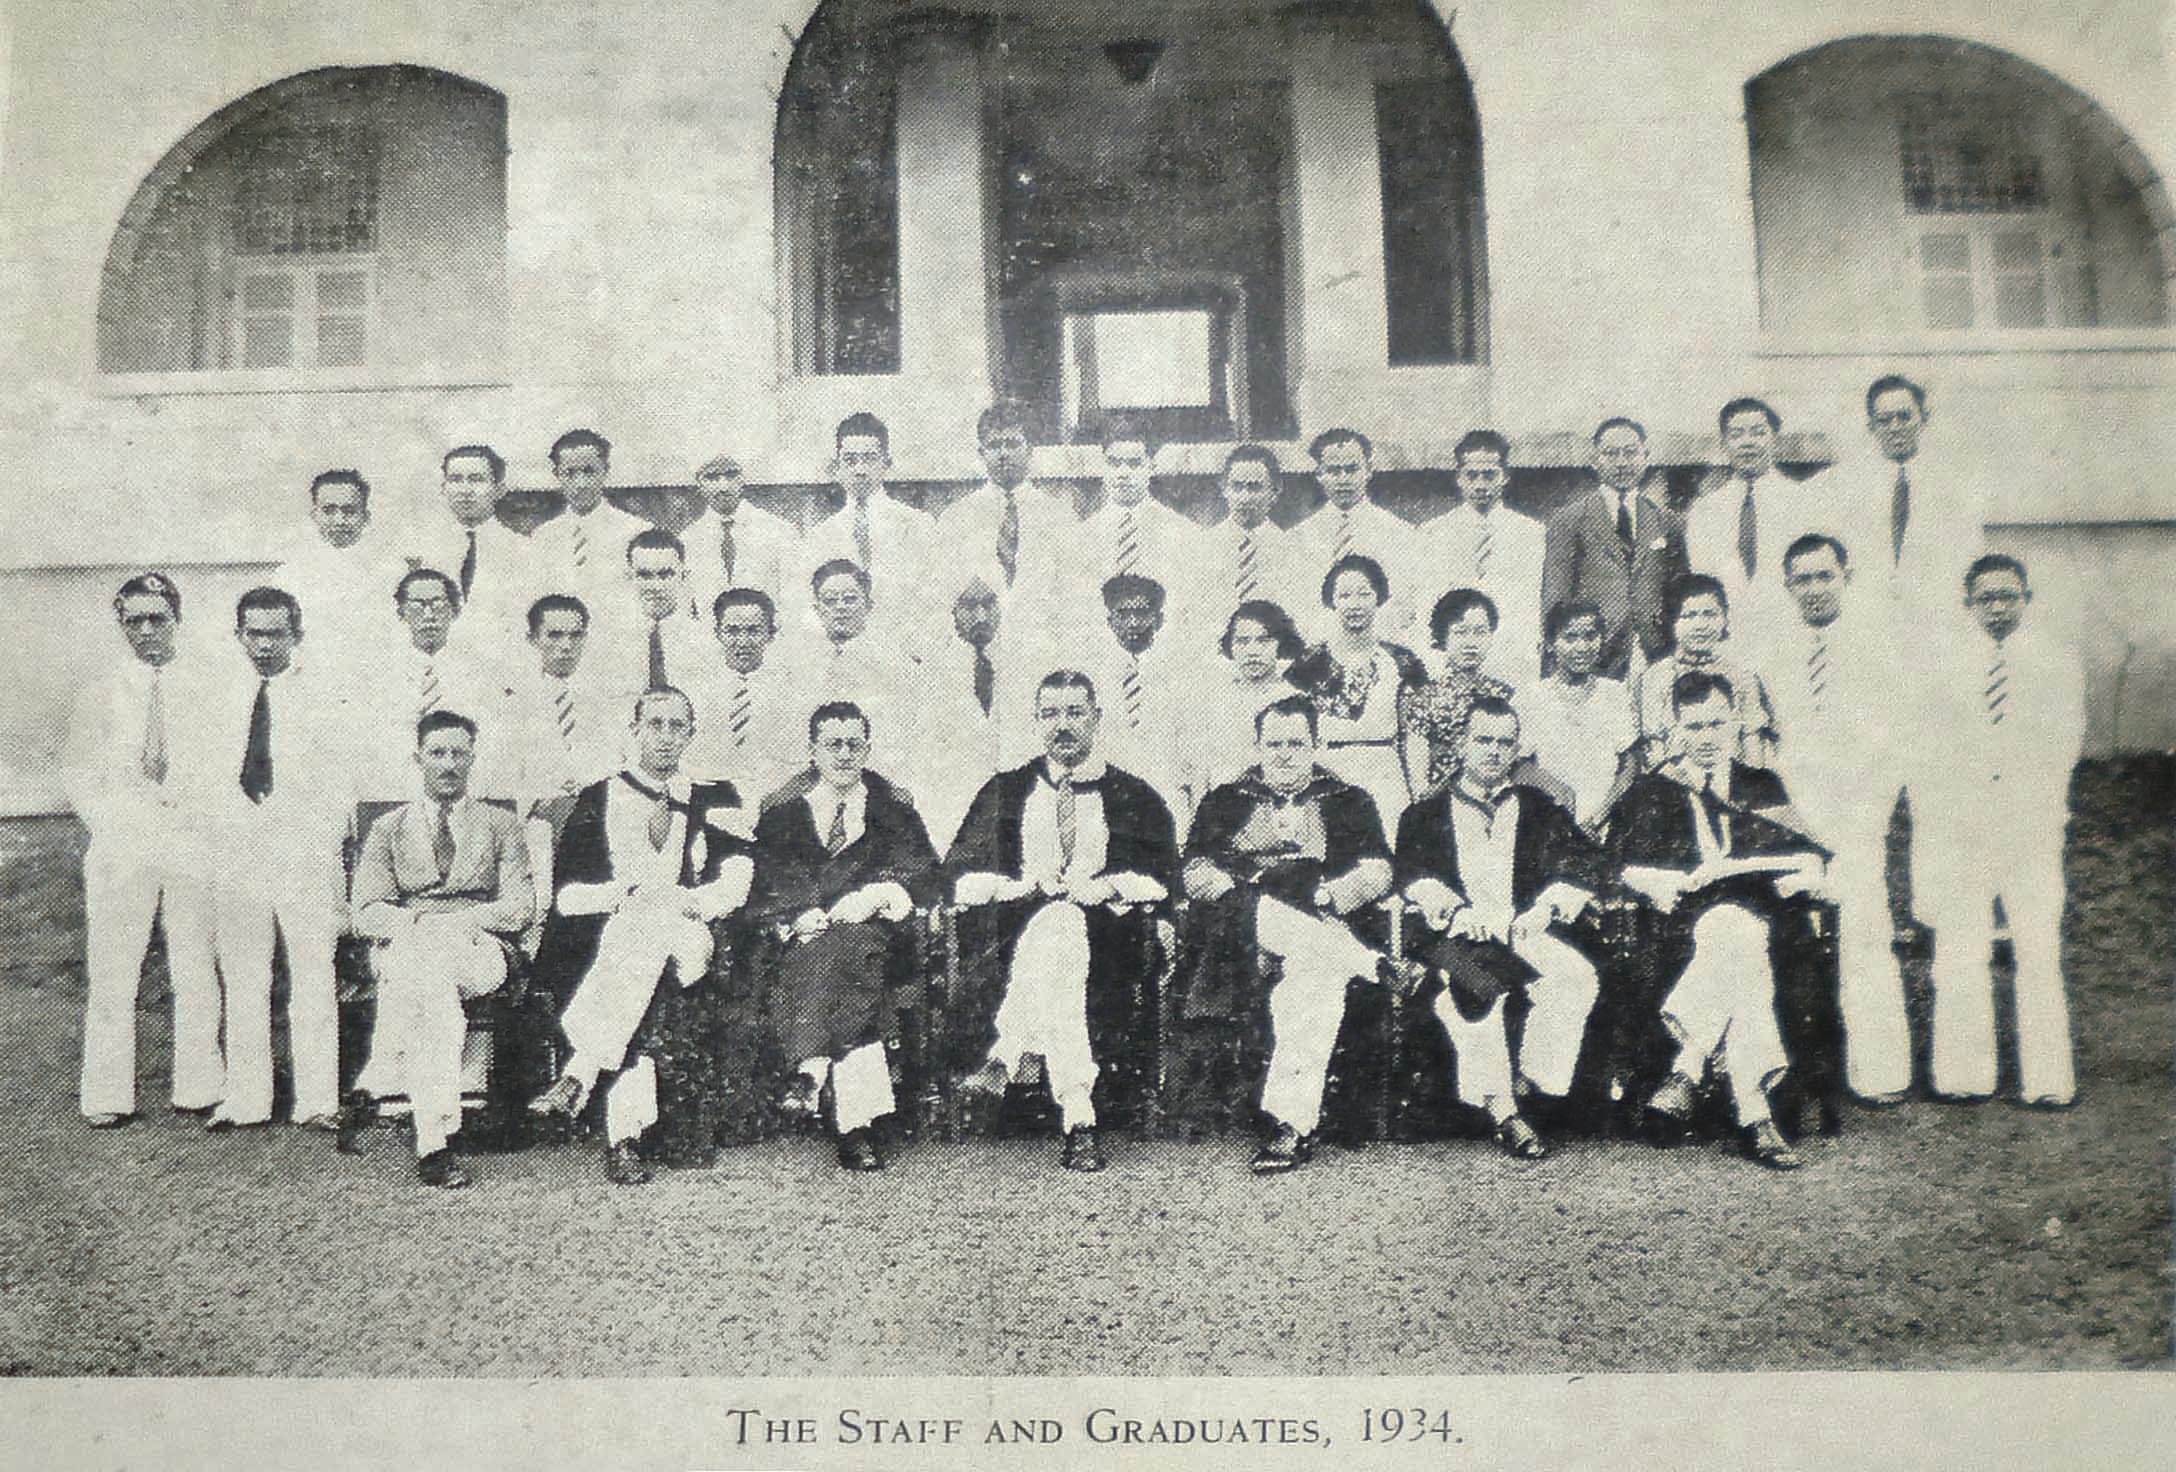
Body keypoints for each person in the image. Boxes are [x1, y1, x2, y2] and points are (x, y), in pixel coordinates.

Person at [946, 671, 1179, 1172]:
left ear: (1096, 718)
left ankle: (1010, 1056)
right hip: (1015, 936)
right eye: (1050, 714)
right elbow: (959, 878)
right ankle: (1079, 1114)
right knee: (1056, 927)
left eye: (1075, 712)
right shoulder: (1007, 791)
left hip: (1109, 939)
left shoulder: (1133, 795)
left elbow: (1164, 880)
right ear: (1036, 721)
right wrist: (1021, 885)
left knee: (1063, 926)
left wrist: (1108, 885)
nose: (1063, 725)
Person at [528, 688, 756, 1184]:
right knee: (638, 945)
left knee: (641, 936)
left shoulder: (715, 796)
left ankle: (580, 1072)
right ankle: (624, 1139)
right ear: (634, 731)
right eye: (656, 724)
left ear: (691, 735)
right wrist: (627, 894)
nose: (666, 736)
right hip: (618, 937)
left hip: (691, 936)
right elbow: (568, 897)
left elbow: (737, 884)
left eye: (678, 726)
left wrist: (685, 900)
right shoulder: (600, 798)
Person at [1605, 670, 1826, 1171]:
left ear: (1734, 723)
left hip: (1761, 913)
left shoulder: (1760, 783)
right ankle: (1755, 1111)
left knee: (1737, 933)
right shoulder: (1652, 789)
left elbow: (1807, 853)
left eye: (1716, 724)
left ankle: (1687, 1069)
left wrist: (1755, 869)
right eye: (1694, 726)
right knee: (1735, 938)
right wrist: (1661, 883)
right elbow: (1625, 865)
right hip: (1683, 925)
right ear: (1675, 729)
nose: (1706, 738)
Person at [1181, 695, 1395, 1172]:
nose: (1283, 754)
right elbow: (1193, 870)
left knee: (1313, 979)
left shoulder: (1349, 800)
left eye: (1295, 744)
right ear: (1257, 746)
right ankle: (1366, 962)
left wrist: (1332, 894)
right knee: (1277, 916)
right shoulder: (1225, 800)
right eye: (1273, 744)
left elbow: (1379, 870)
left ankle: (1291, 1126)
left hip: (1320, 917)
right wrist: (1238, 892)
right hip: (1239, 934)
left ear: (1316, 746)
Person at [1396, 697, 1610, 1159]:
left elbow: (1584, 863)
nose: (1494, 751)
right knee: (1477, 985)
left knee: (1576, 977)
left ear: (1516, 749)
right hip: (1454, 936)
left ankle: (1529, 1081)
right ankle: (1505, 1111)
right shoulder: (1424, 814)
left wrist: (1547, 908)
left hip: (1521, 929)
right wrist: (1455, 910)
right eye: (1483, 740)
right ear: (1461, 743)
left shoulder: (1538, 808)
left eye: (1504, 742)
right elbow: (1412, 875)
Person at [1908, 554, 2082, 1107]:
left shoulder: (2056, 666)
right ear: (1968, 605)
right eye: (1986, 598)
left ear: (2027, 599)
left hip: (2029, 827)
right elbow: (1928, 751)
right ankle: (1964, 1074)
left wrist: (2031, 804)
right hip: (1964, 828)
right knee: (1961, 945)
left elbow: (2063, 746)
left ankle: (2048, 1081)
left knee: (2037, 946)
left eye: (2009, 596)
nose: (1998, 608)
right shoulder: (1945, 666)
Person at [340, 711, 534, 1188]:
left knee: (422, 968)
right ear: (419, 758)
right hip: (412, 944)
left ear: (472, 758)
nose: (448, 763)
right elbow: (366, 911)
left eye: (458, 753)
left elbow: (520, 907)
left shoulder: (501, 824)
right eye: (437, 753)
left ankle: (380, 1075)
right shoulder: (388, 828)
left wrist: (457, 922)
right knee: (430, 980)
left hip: (479, 947)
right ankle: (435, 1141)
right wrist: (420, 924)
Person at [181, 587, 350, 1132]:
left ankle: (318, 1100)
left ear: (296, 635)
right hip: (238, 853)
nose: (263, 645)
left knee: (313, 974)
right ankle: (247, 1098)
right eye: (253, 633)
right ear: (239, 635)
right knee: (244, 975)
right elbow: (203, 777)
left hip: (302, 853)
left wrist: (318, 842)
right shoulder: (220, 696)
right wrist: (223, 836)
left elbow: (340, 781)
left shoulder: (324, 694)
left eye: (275, 634)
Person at [748, 702, 943, 1170]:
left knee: (851, 946)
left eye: (854, 744)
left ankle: (810, 1070)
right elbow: (760, 887)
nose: (843, 754)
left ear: (867, 749)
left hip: (877, 941)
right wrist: (795, 917)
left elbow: (927, 878)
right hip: (803, 943)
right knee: (842, 965)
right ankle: (856, 1129)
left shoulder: (892, 814)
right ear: (812, 751)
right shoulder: (782, 818)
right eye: (832, 744)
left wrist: (878, 895)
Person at [1755, 534, 1912, 1103]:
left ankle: (1880, 1071)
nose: (1815, 589)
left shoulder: (1878, 650)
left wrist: (1865, 821)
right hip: (1797, 814)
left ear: (1846, 575)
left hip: (1858, 811)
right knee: (1789, 936)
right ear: (1787, 585)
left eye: (1825, 576)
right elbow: (1772, 744)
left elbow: (1892, 748)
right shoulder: (1773, 655)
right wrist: (1790, 820)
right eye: (1803, 579)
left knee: (1865, 931)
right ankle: (1796, 1069)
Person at [62, 573, 221, 1127]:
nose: (147, 630)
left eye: (158, 618)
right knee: (113, 968)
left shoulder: (207, 686)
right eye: (135, 621)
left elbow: (224, 763)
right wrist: (115, 825)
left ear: (177, 619)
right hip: (123, 845)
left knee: (196, 964)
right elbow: (79, 772)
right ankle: (107, 1094)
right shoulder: (101, 692)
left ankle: (200, 1085)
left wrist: (199, 817)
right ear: (122, 625)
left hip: (190, 843)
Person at [1286, 554, 1427, 831]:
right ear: (1332, 600)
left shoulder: (1402, 661)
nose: (1354, 604)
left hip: (1384, 773)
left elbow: (1415, 735)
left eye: (1364, 594)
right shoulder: (1308, 663)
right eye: (1345, 595)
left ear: (1378, 597)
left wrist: (1419, 793)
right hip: (1326, 771)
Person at [1541, 417, 1688, 680]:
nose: (1621, 462)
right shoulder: (1569, 520)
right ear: (1595, 460)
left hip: (1655, 651)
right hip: (1593, 652)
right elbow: (1556, 598)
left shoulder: (1667, 522)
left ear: (1645, 457)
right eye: (1611, 454)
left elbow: (1679, 592)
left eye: (1630, 453)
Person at [1684, 397, 1835, 639]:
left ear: (1774, 439)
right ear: (1723, 444)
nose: (1747, 443)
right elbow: (1703, 579)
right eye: (1736, 435)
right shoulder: (1705, 511)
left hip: (1791, 630)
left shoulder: (1803, 502)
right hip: (1727, 634)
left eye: (1758, 432)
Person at [915, 569, 1039, 851]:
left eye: (989, 604)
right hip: (954, 815)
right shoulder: (930, 673)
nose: (981, 616)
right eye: (970, 606)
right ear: (953, 611)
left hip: (1016, 809)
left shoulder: (1025, 666)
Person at [1846, 374, 1987, 620]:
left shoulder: (1953, 486)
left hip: (1935, 617)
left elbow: (1970, 559)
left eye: (1904, 417)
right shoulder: (1850, 488)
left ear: (1924, 418)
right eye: (1884, 420)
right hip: (1870, 618)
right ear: (1871, 426)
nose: (1895, 428)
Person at [795, 413, 939, 649]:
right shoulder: (820, 535)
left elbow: (933, 598)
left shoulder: (916, 525)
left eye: (870, 459)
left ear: (887, 464)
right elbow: (810, 607)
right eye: (850, 460)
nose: (860, 470)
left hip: (902, 651)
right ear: (837, 467)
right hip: (842, 653)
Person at [1046, 417, 1197, 639]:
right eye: (1114, 463)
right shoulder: (1078, 539)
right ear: (1102, 466)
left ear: (1151, 466)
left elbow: (1186, 606)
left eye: (1134, 464)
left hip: (1163, 646)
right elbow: (1072, 608)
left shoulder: (1180, 532)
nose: (1123, 473)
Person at [1420, 430, 1545, 685]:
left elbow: (1533, 603)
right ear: (1459, 478)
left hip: (1513, 656)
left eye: (1489, 475)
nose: (1480, 485)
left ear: (1505, 476)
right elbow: (1426, 602)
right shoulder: (1434, 533)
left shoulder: (1532, 533)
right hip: (1453, 656)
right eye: (1471, 475)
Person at [354, 568, 492, 797]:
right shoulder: (379, 675)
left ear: (454, 611)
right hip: (396, 791)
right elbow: (371, 743)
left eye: (438, 604)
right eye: (418, 605)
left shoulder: (479, 673)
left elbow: (488, 742)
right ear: (401, 612)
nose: (429, 615)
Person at [1082, 573, 1196, 826]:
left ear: (1159, 620)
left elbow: (1193, 755)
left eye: (1142, 613)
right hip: (1108, 806)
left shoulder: (1180, 679)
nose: (1133, 623)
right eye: (1123, 614)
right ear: (1110, 621)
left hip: (1167, 803)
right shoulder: (1093, 679)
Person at [1633, 574, 1779, 771]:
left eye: (1710, 614)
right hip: (1675, 780)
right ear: (1672, 621)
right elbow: (1655, 747)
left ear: (1724, 618)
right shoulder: (1656, 677)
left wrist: (1751, 782)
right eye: (1689, 616)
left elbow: (1751, 742)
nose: (1700, 626)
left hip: (1732, 780)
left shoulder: (1741, 677)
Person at [270, 469, 406, 679]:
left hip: (376, 681)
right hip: (311, 681)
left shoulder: (393, 571)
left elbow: (401, 639)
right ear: (314, 515)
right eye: (329, 510)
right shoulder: (288, 576)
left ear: (365, 517)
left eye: (349, 511)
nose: (339, 520)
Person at [1289, 428, 1421, 640]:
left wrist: (1364, 640)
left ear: (1368, 471)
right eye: (1334, 471)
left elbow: (1404, 601)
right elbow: (1299, 603)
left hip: (1381, 642)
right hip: (1319, 644)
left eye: (1352, 470)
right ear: (1319, 475)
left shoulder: (1398, 533)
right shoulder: (1300, 537)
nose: (1343, 479)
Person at [936, 401, 1076, 600]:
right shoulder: (957, 517)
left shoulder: (1058, 516)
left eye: (1012, 444)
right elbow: (945, 591)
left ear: (1030, 450)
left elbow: (1072, 591)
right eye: (994, 446)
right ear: (982, 454)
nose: (1003, 454)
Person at [1520, 599, 1639, 833]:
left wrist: (1599, 817)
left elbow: (1630, 764)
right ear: (1550, 644)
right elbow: (1519, 766)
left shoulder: (1614, 693)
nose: (1582, 647)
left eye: (1590, 636)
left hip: (1606, 820)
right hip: (1551, 821)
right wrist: (1555, 790)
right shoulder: (1532, 697)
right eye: (1570, 638)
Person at [682, 588, 801, 804]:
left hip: (773, 802)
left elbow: (797, 762)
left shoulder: (790, 692)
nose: (743, 641)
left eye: (753, 631)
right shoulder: (696, 691)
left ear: (770, 634)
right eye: (733, 631)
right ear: (718, 633)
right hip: (707, 798)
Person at [412, 445, 528, 658]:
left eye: (476, 479)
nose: (465, 490)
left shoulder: (520, 552)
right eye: (455, 480)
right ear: (443, 488)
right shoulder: (422, 551)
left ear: (499, 490)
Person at [1400, 588, 1515, 795]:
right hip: (1441, 801)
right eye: (1461, 632)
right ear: (1443, 636)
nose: (1471, 643)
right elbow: (1417, 772)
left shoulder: (1504, 695)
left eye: (1480, 632)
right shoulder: (1424, 698)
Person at [526, 428, 652, 611]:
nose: (581, 484)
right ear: (557, 475)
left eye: (589, 471)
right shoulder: (543, 537)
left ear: (605, 471)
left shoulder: (636, 532)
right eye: (569, 473)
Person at [1197, 444, 1305, 657]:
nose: (1245, 497)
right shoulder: (1203, 547)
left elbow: (1300, 616)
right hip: (1213, 661)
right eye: (1237, 487)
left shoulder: (1292, 550)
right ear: (1224, 489)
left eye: (1254, 487)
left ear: (1275, 491)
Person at [1192, 600, 1306, 796]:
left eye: (1263, 640)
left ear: (1280, 643)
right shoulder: (1215, 702)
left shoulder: (1296, 700)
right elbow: (1201, 773)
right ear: (1231, 645)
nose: (1252, 651)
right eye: (1242, 641)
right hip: (1222, 806)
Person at [590, 528, 711, 704]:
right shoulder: (608, 643)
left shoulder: (706, 640)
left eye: (665, 575)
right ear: (628, 577)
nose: (655, 586)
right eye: (644, 575)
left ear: (684, 576)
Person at [682, 453, 798, 617]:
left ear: (743, 479)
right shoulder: (688, 540)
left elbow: (794, 601)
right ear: (699, 484)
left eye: (731, 475)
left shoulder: (779, 531)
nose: (723, 487)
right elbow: (685, 608)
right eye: (712, 478)